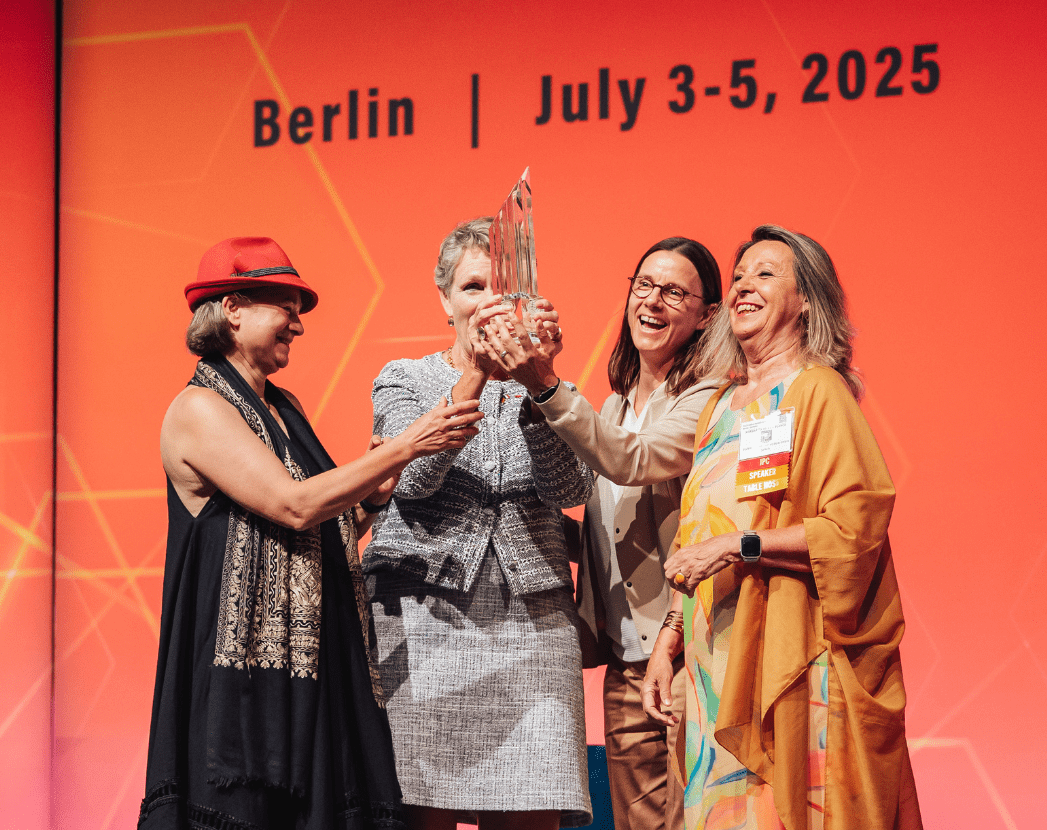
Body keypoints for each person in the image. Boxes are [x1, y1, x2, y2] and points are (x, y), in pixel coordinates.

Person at [138, 237, 483, 830]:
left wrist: (379, 485)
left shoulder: (283, 407)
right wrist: (407, 444)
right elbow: (294, 505)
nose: (297, 323)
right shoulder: (197, 408)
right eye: (284, 304)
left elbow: (334, 521)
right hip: (237, 682)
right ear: (231, 308)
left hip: (311, 665)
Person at [643, 225, 923, 829]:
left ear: (805, 301)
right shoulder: (720, 407)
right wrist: (669, 634)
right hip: (712, 663)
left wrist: (739, 547)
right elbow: (698, 531)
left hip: (791, 663)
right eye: (740, 274)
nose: (744, 284)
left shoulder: (818, 392)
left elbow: (854, 531)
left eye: (766, 274)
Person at [477, 237, 722, 830]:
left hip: (688, 652)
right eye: (644, 285)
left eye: (673, 292)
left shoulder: (710, 400)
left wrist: (545, 385)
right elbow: (600, 526)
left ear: (706, 315)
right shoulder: (612, 408)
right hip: (624, 662)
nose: (653, 302)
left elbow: (632, 460)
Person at [361, 218, 595, 830]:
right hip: (423, 621)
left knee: (531, 812)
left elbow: (571, 488)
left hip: (534, 628)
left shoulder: (548, 385)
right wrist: (478, 374)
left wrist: (538, 384)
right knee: (424, 810)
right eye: (472, 288)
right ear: (444, 300)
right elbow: (412, 482)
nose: (489, 303)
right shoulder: (405, 379)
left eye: (502, 289)